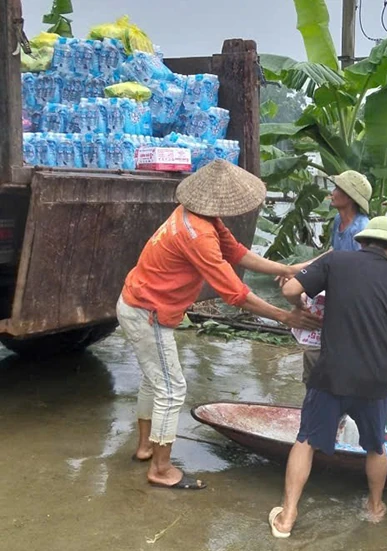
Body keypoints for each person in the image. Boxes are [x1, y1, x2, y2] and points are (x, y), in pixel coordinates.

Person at [116, 159, 321, 490]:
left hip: (138, 303)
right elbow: (235, 293)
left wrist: (289, 267)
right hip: (147, 312)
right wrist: (285, 316)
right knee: (172, 388)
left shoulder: (196, 215)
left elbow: (237, 253)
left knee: (155, 381)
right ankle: (161, 468)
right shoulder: (197, 235)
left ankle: (145, 447)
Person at [269, 216, 387, 538]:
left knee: (305, 441)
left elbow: (291, 288)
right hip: (375, 380)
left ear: (363, 242)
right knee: (377, 448)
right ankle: (375, 508)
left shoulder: (336, 260)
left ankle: (288, 515)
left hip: (331, 374)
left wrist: (302, 309)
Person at [300, 170, 373, 384]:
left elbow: (363, 271)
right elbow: (333, 255)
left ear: (349, 197)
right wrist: (301, 272)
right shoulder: (337, 223)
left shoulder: (361, 229)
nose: (332, 193)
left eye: (337, 190)